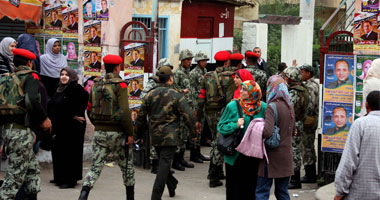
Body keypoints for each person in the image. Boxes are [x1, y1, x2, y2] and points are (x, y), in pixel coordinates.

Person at [136, 66, 197, 200]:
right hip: (171, 137)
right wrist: (194, 133)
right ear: (170, 79)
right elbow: (188, 115)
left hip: (155, 136)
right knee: (163, 165)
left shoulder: (150, 95)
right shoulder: (176, 95)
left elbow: (140, 117)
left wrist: (137, 135)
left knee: (163, 164)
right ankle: (155, 196)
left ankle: (172, 183)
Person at [78, 54, 135, 200]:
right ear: (117, 68)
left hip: (99, 133)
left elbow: (89, 109)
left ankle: (83, 195)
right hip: (117, 133)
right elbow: (124, 111)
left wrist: (98, 125)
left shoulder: (96, 83)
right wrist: (130, 133)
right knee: (127, 167)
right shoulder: (120, 85)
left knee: (95, 166)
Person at [0, 48, 52, 200]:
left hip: (10, 132)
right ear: (29, 63)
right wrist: (44, 119)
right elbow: (32, 100)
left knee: (32, 170)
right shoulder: (30, 76)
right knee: (14, 177)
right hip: (21, 133)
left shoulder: (5, 79)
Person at [218, 80, 266, 199]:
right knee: (234, 190)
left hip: (253, 155)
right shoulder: (232, 106)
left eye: (245, 89)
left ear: (254, 92)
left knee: (250, 189)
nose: (241, 91)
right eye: (241, 88)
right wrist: (235, 125)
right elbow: (221, 127)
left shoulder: (263, 107)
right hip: (235, 154)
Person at [196, 50, 237, 187]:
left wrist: (198, 118)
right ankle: (213, 175)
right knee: (220, 142)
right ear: (226, 62)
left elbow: (201, 98)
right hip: (224, 113)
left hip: (209, 113)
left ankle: (216, 171)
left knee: (215, 139)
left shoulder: (207, 76)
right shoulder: (230, 77)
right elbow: (232, 100)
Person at [334, 91, 380, 200]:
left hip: (360, 192)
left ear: (366, 105)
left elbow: (349, 162)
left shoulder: (361, 124)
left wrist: (340, 191)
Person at [255, 75, 295, 200]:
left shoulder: (271, 106)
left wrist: (255, 129)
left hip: (271, 157)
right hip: (286, 156)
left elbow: (267, 131)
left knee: (262, 191)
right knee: (282, 192)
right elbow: (293, 131)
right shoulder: (290, 107)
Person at [49, 67, 88, 189]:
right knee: (59, 151)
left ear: (72, 77)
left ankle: (70, 180)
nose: (64, 77)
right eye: (62, 74)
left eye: (66, 75)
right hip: (60, 125)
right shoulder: (59, 88)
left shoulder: (75, 88)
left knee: (70, 153)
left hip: (72, 127)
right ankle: (59, 178)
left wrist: (76, 114)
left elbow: (85, 98)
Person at [140, 58, 173, 174]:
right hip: (155, 115)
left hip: (166, 116)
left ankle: (164, 167)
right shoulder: (153, 82)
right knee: (155, 141)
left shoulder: (169, 81)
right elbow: (143, 96)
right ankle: (155, 165)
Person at [282, 66, 309, 189]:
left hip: (294, 124)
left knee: (294, 151)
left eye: (287, 76)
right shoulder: (303, 89)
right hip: (299, 122)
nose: (285, 78)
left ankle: (295, 179)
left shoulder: (294, 92)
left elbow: (289, 109)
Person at [172, 49, 195, 171]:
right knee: (180, 134)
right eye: (187, 59)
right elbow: (174, 90)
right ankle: (176, 161)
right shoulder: (178, 73)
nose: (189, 62)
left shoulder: (188, 72)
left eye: (190, 59)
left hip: (188, 106)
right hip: (180, 107)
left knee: (185, 134)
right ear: (182, 60)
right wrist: (182, 91)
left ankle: (181, 158)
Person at [189, 51, 210, 163]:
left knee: (200, 129)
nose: (205, 62)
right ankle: (194, 153)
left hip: (203, 103)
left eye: (206, 60)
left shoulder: (205, 71)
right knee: (195, 129)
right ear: (198, 61)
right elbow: (192, 91)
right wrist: (195, 107)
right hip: (197, 104)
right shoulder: (193, 73)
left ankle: (198, 152)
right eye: (203, 60)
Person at [300, 64, 319, 184]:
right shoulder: (313, 84)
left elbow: (310, 105)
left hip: (308, 120)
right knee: (309, 146)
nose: (301, 74)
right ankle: (310, 172)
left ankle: (310, 174)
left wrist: (302, 112)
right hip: (311, 120)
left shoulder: (310, 86)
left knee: (306, 147)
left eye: (303, 72)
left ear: (308, 73)